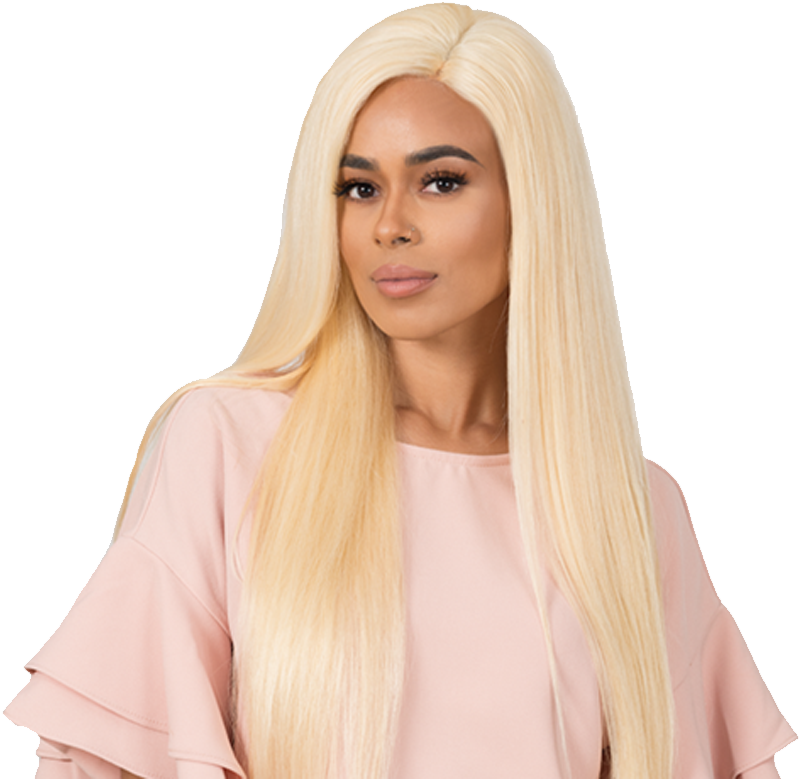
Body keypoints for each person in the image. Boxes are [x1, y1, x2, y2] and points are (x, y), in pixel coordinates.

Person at [4, 4, 796, 778]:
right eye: (359, 188)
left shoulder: (633, 507)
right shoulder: (227, 445)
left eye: (441, 181)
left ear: (534, 202)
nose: (389, 225)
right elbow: (106, 760)